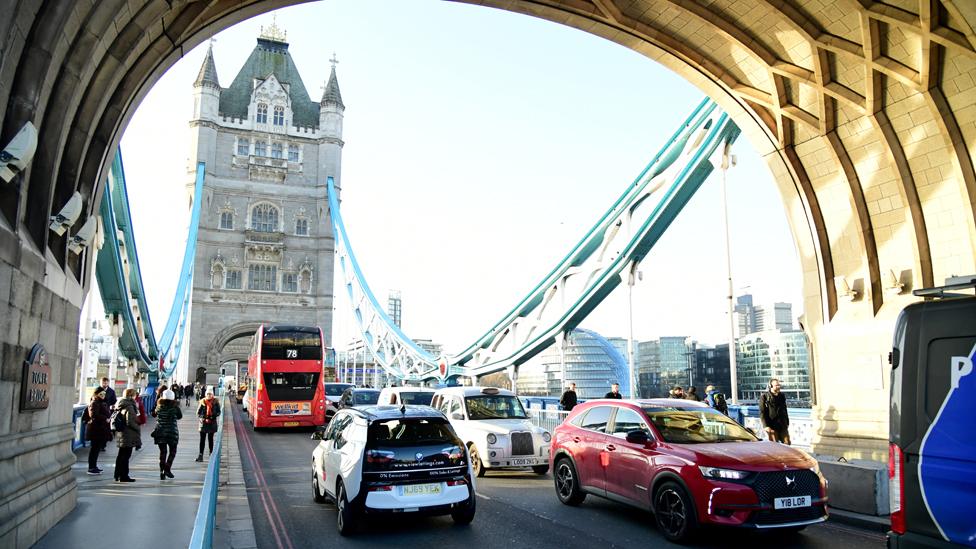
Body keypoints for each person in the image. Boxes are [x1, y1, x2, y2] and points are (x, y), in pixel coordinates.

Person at [153, 389, 182, 479]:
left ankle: (162, 472)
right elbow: (180, 416)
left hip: (160, 432)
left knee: (163, 452)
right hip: (172, 432)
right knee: (172, 451)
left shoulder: (159, 406)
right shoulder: (175, 407)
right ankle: (167, 468)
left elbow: (154, 414)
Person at [114, 388, 142, 482]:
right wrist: (138, 427)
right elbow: (130, 421)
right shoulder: (129, 406)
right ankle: (124, 476)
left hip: (122, 432)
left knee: (121, 455)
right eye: (135, 395)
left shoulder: (122, 404)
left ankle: (117, 474)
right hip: (128, 433)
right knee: (126, 455)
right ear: (131, 396)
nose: (136, 397)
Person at [84, 386, 112, 475]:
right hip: (96, 429)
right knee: (94, 449)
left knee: (96, 449)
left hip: (100, 429)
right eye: (101, 394)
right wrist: (105, 418)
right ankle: (91, 467)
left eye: (104, 393)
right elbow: (94, 415)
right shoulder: (94, 402)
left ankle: (94, 466)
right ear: (96, 394)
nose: (103, 395)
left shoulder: (101, 402)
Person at [759, 378, 791, 444]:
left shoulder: (782, 396)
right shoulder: (764, 396)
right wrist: (766, 426)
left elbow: (784, 409)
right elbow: (762, 412)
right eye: (776, 385)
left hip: (782, 425)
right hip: (771, 425)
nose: (778, 387)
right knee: (774, 445)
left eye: (779, 385)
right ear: (771, 386)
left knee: (787, 443)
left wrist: (787, 422)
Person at [196, 390, 221, 462]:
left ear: (212, 395)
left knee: (210, 439)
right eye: (207, 394)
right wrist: (204, 417)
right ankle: (200, 455)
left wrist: (213, 416)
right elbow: (198, 413)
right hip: (203, 423)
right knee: (202, 440)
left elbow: (219, 412)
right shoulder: (202, 402)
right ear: (205, 394)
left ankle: (211, 455)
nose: (209, 395)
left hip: (212, 423)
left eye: (210, 394)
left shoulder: (216, 403)